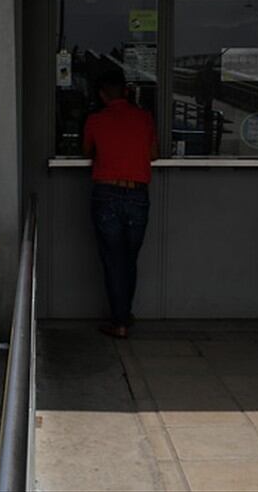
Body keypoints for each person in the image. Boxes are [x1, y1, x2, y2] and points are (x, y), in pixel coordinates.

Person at [83, 71, 158, 339]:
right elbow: (154, 154)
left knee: (113, 260)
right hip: (138, 195)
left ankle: (120, 321)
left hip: (106, 194)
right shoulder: (144, 118)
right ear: (126, 91)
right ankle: (124, 313)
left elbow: (87, 151)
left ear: (102, 95)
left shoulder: (95, 120)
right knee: (129, 259)